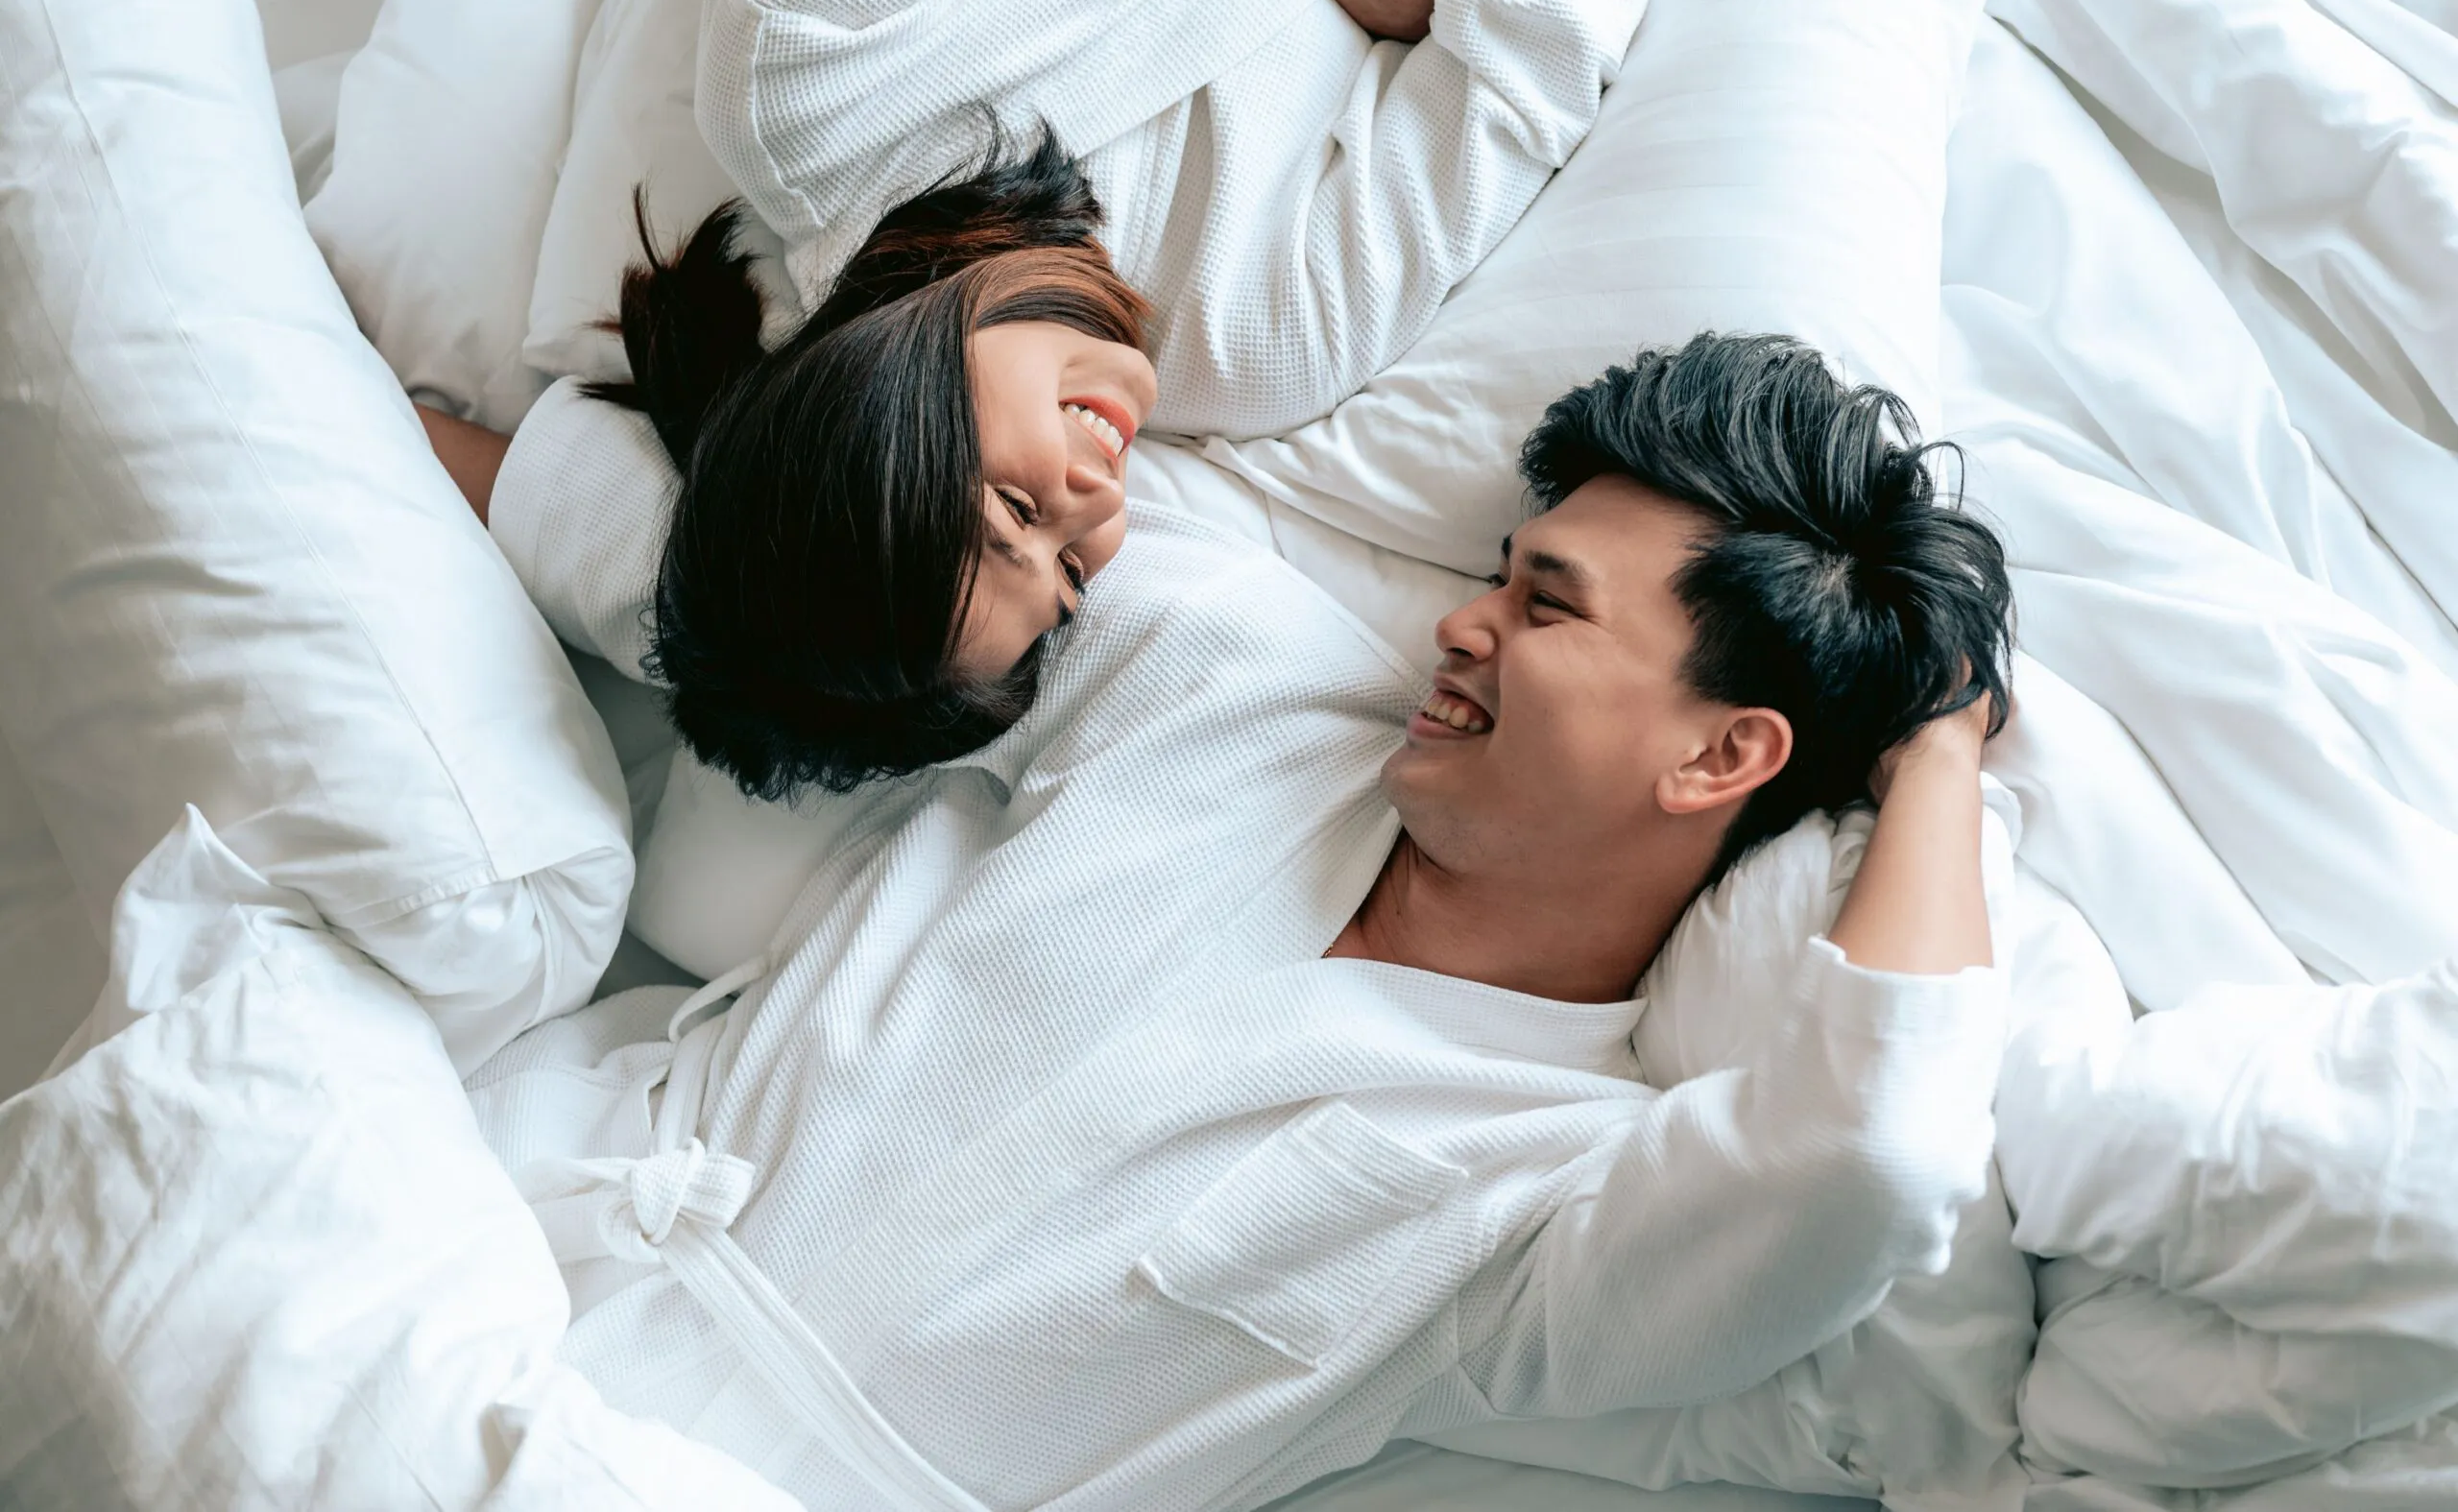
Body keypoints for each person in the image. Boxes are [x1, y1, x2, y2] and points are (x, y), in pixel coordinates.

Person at [467, 333, 2017, 1511]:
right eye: (1494, 577)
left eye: (1546, 606)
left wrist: (1938, 748)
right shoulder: (1240, 667)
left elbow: (1872, 1152)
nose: (1462, 623)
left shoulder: (1555, 1190)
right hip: (486, 1226)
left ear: (1723, 754)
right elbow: (801, 580)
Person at [418, 0, 1658, 799]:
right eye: (1070, 575)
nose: (1095, 506)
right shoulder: (1263, 337)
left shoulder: (814, 73)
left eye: (1014, 511)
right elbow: (1547, 23)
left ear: (874, 402)